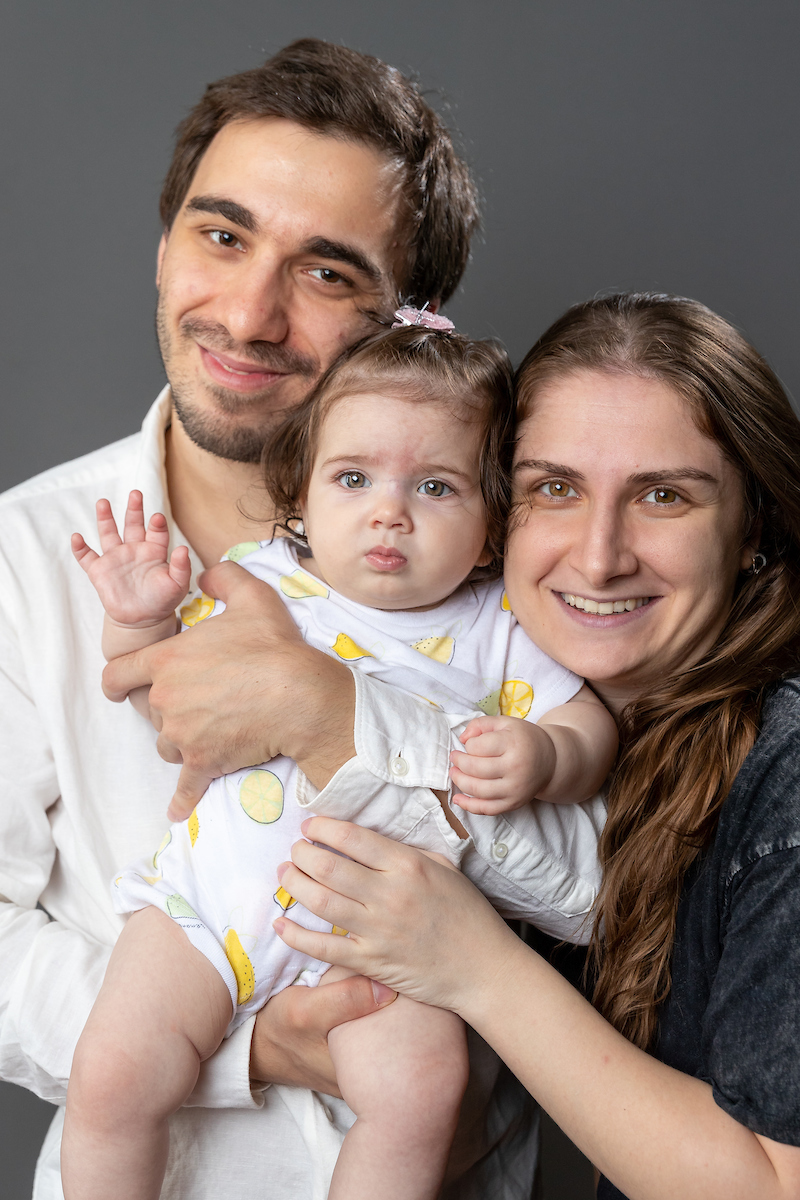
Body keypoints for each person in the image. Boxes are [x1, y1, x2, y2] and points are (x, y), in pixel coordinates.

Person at [0, 38, 578, 1200]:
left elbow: (592, 890)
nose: (251, 314)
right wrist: (248, 1050)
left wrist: (337, 721)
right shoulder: (27, 556)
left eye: (324, 273)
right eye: (221, 236)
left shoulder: (527, 566)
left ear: (411, 323)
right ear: (164, 249)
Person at [64, 322, 617, 1200]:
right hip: (205, 909)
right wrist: (142, 620)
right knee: (112, 1073)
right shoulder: (263, 580)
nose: (388, 511)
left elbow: (590, 728)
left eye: (435, 486)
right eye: (352, 478)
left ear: (489, 529)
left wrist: (547, 755)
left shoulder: (498, 624)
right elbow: (161, 700)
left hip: (378, 941)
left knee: (422, 1095)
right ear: (303, 499)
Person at [271, 293, 800, 1200]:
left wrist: (480, 967)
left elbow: (773, 1184)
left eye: (663, 496)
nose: (598, 558)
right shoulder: (542, 731)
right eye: (554, 488)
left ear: (750, 527)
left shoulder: (784, 772)